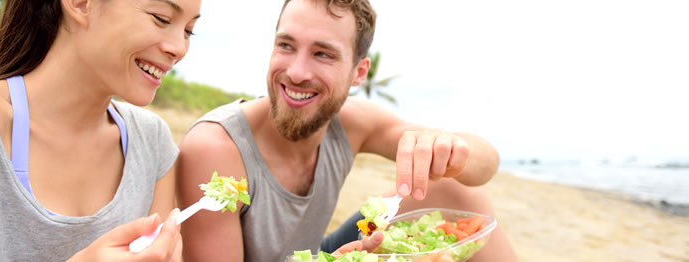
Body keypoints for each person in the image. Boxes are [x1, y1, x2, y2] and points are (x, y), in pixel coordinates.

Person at [177, 0, 518, 261]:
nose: (296, 72)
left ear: (359, 73)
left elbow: (485, 163)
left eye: (322, 54)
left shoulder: (351, 123)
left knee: (456, 189)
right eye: (286, 46)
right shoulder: (215, 148)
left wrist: (449, 148)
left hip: (317, 251)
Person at [0, 0, 201, 260]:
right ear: (80, 4)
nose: (179, 48)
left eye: (188, 31)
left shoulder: (152, 141)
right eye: (161, 18)